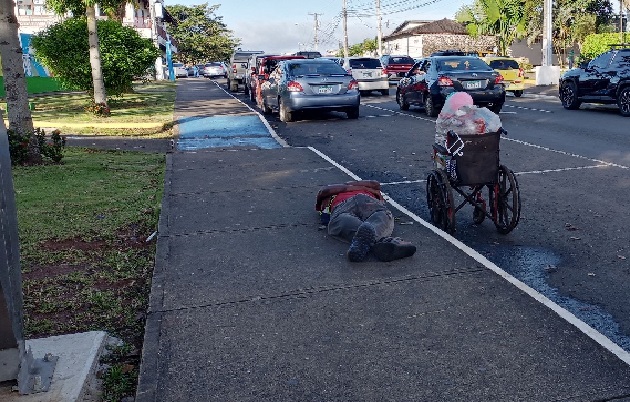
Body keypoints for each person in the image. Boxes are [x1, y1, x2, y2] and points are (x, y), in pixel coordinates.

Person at [315, 180, 416, 262]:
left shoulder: (338, 191)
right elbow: (325, 191)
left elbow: (375, 183)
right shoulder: (328, 196)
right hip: (344, 204)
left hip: (367, 201)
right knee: (344, 220)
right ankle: (384, 243)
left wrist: (345, 187)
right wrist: (362, 187)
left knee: (380, 216)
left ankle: (363, 244)